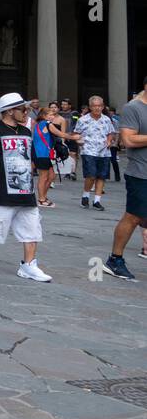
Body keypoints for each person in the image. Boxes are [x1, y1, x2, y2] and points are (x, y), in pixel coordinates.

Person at [0, 92, 51, 282]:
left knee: (32, 227)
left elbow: (30, 157)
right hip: (2, 188)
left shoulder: (25, 131)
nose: (26, 113)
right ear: (9, 112)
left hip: (25, 189)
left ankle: (29, 264)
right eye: (22, 110)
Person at [102, 78, 147, 281]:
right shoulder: (133, 108)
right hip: (141, 172)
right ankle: (115, 259)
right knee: (133, 217)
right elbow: (128, 139)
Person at [75, 96, 118, 211]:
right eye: (94, 106)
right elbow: (76, 134)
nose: (97, 108)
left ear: (103, 107)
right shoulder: (83, 120)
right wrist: (78, 140)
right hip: (88, 150)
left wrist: (109, 140)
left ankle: (97, 200)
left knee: (102, 176)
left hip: (104, 152)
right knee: (91, 175)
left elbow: (111, 132)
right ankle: (85, 196)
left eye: (99, 106)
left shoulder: (107, 119)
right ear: (90, 107)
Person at [59, 98, 79, 179]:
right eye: (62, 104)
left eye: (65, 104)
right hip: (62, 135)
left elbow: (76, 123)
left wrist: (72, 133)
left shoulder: (74, 113)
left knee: (73, 154)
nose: (63, 106)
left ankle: (73, 172)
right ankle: (67, 171)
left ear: (69, 106)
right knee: (64, 154)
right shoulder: (59, 113)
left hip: (72, 136)